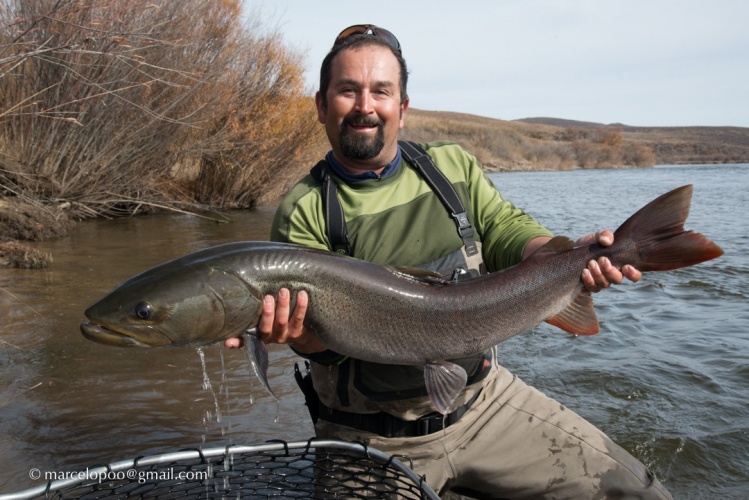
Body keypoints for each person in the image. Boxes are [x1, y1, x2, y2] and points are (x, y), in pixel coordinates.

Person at [226, 24, 673, 499]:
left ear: (402, 107)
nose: (365, 106)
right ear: (321, 105)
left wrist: (570, 258)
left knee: (638, 492)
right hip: (368, 439)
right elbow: (324, 345)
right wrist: (303, 339)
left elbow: (506, 229)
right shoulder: (305, 208)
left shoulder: (451, 167)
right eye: (347, 91)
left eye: (381, 91)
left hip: (484, 406)